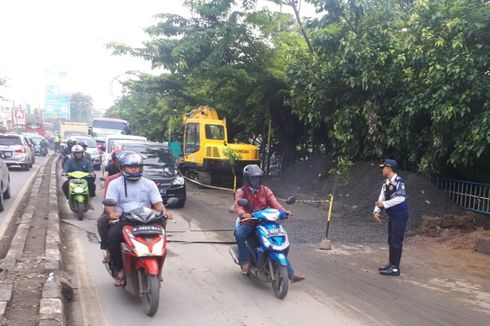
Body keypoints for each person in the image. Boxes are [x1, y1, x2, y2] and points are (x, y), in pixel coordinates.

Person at [105, 152, 173, 286]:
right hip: (125, 219)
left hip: (146, 219)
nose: (135, 169)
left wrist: (164, 212)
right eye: (131, 167)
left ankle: (157, 266)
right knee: (112, 236)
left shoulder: (149, 184)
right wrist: (112, 213)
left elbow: (158, 204)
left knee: (161, 235)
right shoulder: (115, 184)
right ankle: (119, 269)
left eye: (137, 166)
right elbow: (110, 205)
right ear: (123, 168)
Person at [234, 164, 305, 283]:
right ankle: (245, 261)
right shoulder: (241, 192)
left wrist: (284, 212)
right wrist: (243, 214)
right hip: (249, 222)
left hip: (265, 221)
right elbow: (238, 206)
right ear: (247, 179)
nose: (256, 181)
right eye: (253, 178)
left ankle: (290, 274)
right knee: (240, 234)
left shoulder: (266, 190)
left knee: (277, 241)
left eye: (258, 178)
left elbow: (274, 203)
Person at [373, 159, 409, 276]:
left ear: (389, 168)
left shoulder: (399, 182)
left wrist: (384, 205)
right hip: (392, 215)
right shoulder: (386, 183)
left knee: (396, 240)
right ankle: (391, 263)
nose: (382, 170)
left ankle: (395, 268)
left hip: (400, 214)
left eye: (384, 167)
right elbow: (381, 197)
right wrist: (376, 211)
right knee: (391, 240)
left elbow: (401, 198)